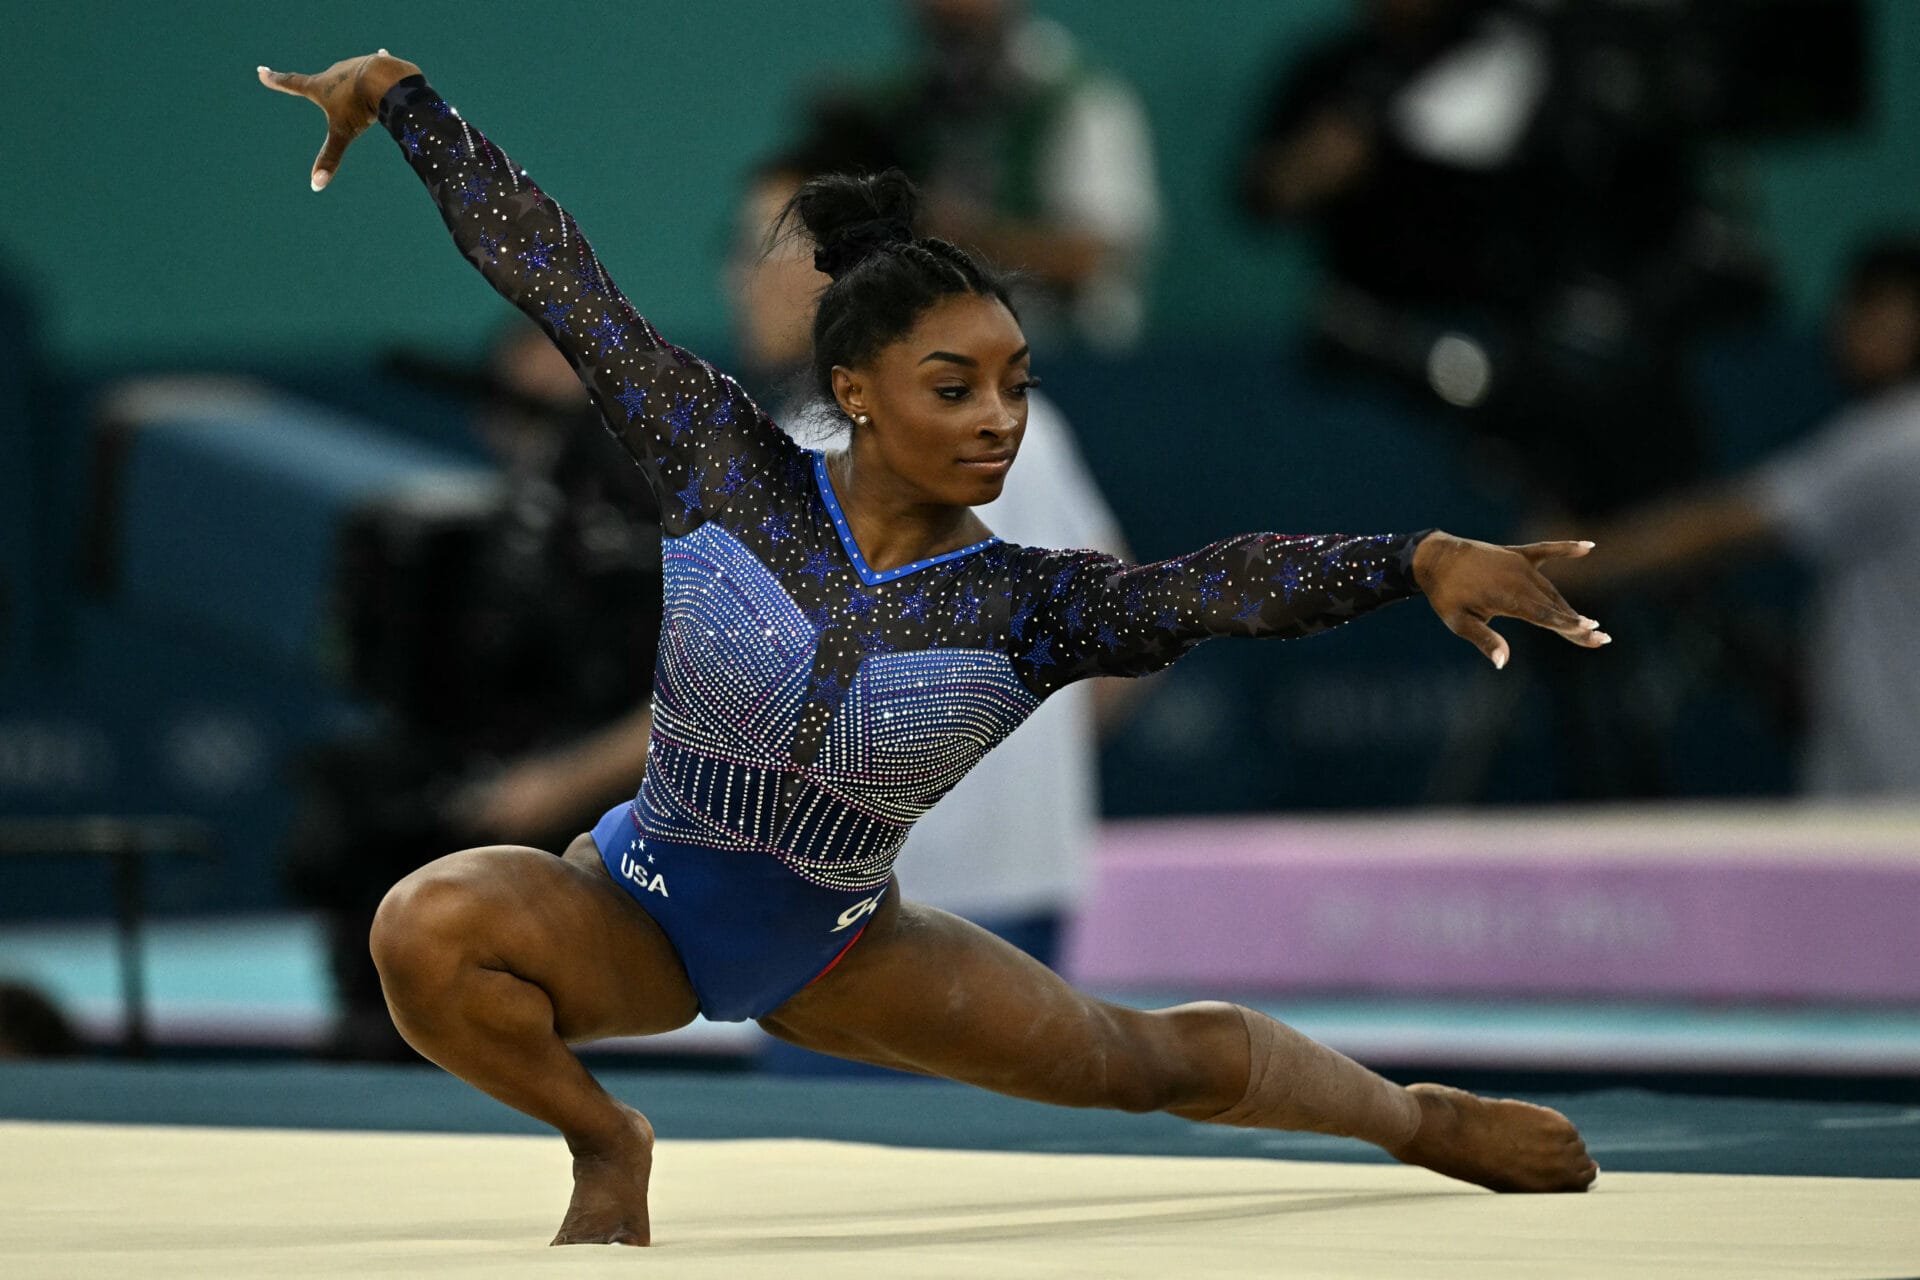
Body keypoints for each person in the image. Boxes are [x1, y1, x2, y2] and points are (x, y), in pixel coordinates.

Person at [259, 51, 1604, 1246]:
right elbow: (559, 277)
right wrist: (401, 100)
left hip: (846, 949)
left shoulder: (1029, 602)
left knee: (1142, 1065)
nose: (998, 417)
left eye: (1015, 381)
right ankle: (607, 1139)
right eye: (953, 387)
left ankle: (1417, 1122)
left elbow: (1223, 587)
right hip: (639, 903)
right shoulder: (728, 469)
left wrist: (1413, 559)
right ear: (856, 392)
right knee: (425, 929)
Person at [1546, 238, 1920, 797]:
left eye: (1871, 308)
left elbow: (1720, 527)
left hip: (1888, 806)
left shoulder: (1898, 439)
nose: (1843, 328)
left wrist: (1564, 560)